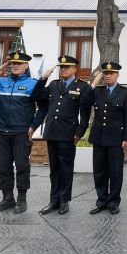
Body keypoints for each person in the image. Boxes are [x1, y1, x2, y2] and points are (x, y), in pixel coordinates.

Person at [0, 51, 46, 214]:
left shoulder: (33, 83)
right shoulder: (0, 81)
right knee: (3, 166)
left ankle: (22, 198)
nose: (15, 66)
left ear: (26, 65)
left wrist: (33, 126)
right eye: (13, 63)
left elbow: (43, 107)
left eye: (19, 64)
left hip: (21, 132)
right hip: (3, 131)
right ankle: (7, 198)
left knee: (22, 166)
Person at [32, 56, 93, 215]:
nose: (63, 69)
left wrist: (79, 133)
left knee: (66, 168)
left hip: (68, 133)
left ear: (74, 69)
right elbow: (37, 97)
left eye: (67, 67)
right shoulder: (53, 84)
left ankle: (64, 200)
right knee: (54, 168)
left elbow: (85, 114)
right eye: (61, 67)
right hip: (52, 132)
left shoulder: (81, 86)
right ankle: (54, 200)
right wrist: (43, 79)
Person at [87, 62, 127, 215]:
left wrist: (126, 138)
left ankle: (113, 201)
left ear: (117, 75)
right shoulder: (98, 91)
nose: (108, 76)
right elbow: (84, 99)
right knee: (99, 171)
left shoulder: (125, 93)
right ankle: (101, 200)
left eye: (111, 73)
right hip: (99, 137)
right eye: (105, 74)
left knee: (115, 171)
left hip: (116, 138)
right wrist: (95, 82)